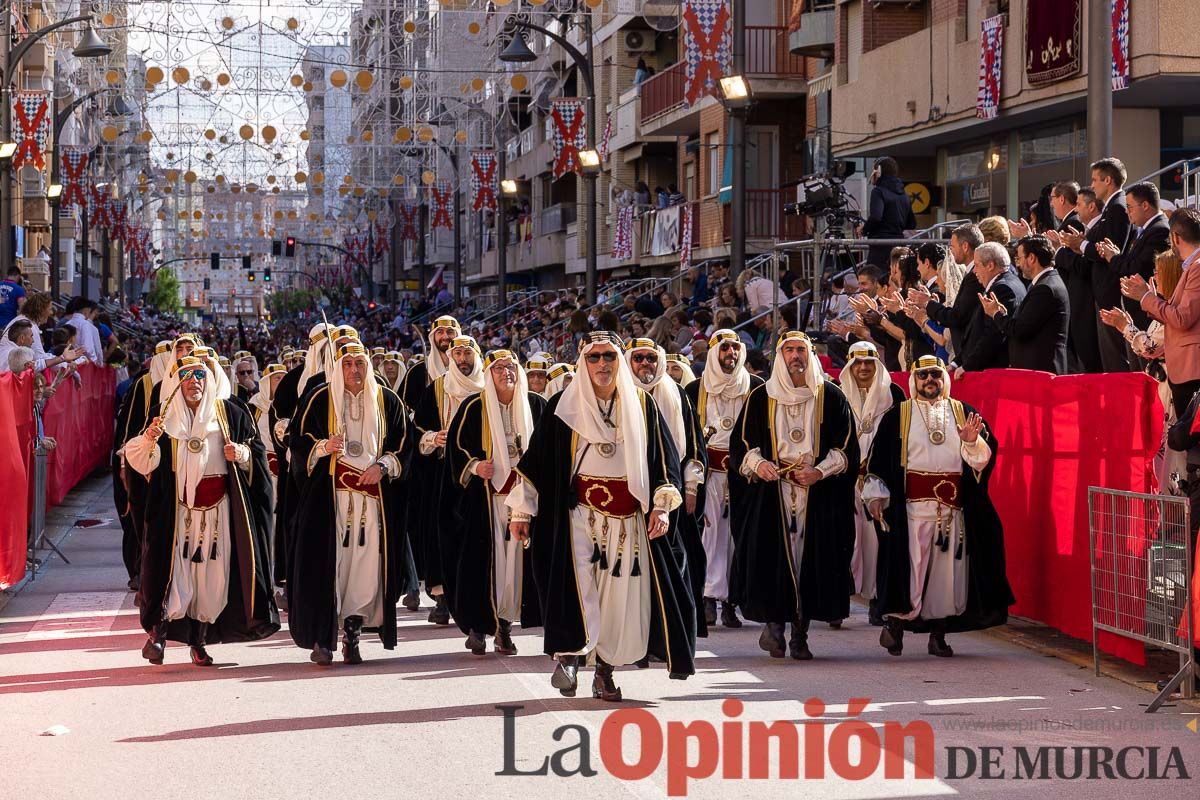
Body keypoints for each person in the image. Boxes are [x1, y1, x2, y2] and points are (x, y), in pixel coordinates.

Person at [506, 331, 695, 701]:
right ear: (582, 361)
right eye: (594, 358)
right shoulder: (564, 405)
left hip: (629, 522)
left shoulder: (642, 404)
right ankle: (572, 657)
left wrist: (662, 505)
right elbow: (536, 466)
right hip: (579, 516)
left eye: (609, 356)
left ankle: (604, 672)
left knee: (618, 603)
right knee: (580, 591)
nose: (602, 364)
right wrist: (520, 511)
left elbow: (664, 462)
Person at [125, 355, 279, 666]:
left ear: (210, 378)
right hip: (177, 513)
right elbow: (141, 462)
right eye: (186, 376)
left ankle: (199, 641)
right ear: (176, 382)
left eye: (200, 374)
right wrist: (149, 440)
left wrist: (243, 454)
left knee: (211, 582)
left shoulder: (231, 413)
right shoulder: (163, 416)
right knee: (172, 576)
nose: (194, 381)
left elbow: (257, 454)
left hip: (217, 514)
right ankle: (159, 634)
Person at [864, 356, 1014, 657]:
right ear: (914, 380)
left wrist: (972, 443)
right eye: (923, 376)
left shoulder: (964, 413)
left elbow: (983, 460)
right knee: (912, 572)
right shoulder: (898, 416)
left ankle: (939, 634)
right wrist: (875, 496)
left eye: (935, 374)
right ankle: (896, 623)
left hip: (953, 511)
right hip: (911, 511)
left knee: (948, 578)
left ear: (943, 378)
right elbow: (877, 462)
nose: (929, 380)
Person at [728, 332, 856, 660]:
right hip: (774, 491)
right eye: (789, 350)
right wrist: (759, 465)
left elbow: (846, 448)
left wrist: (820, 471)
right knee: (772, 560)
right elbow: (741, 445)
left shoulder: (831, 396)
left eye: (801, 349)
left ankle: (801, 632)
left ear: (810, 353)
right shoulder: (761, 397)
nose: (795, 356)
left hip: (817, 493)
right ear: (779, 356)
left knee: (810, 562)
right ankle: (774, 625)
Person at [288, 342, 415, 665]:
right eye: (348, 364)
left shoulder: (388, 400)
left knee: (366, 570)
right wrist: (323, 446)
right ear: (338, 367)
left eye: (360, 363)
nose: (354, 371)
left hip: (372, 501)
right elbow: (298, 442)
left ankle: (353, 632)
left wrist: (383, 466)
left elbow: (404, 444)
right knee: (329, 567)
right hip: (330, 500)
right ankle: (322, 639)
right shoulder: (320, 398)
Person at [444, 350, 546, 655]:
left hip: (525, 499)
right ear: (489, 374)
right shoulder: (473, 407)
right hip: (486, 500)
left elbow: (548, 449)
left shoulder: (536, 405)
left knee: (516, 569)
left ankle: (504, 626)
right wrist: (475, 466)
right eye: (499, 368)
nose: (506, 373)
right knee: (485, 565)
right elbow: (456, 449)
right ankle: (479, 626)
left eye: (511, 367)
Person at [625, 337, 709, 639]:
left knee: (675, 563)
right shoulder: (619, 395)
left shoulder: (677, 395)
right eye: (639, 358)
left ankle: (671, 633)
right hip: (629, 494)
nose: (645, 364)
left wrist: (690, 487)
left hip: (671, 495)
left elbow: (694, 448)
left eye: (650, 358)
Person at [685, 331, 764, 628]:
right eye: (724, 348)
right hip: (709, 475)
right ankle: (708, 598)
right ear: (713, 352)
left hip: (745, 476)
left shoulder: (756, 388)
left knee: (738, 538)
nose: (730, 353)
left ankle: (732, 600)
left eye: (735, 347)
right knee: (710, 536)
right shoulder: (695, 389)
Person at [412, 334, 485, 624]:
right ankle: (442, 597)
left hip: (482, 475)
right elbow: (417, 428)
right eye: (458, 354)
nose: (463, 360)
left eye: (468, 354)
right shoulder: (438, 388)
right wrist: (432, 437)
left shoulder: (487, 386)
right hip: (444, 473)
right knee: (442, 535)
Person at [838, 341, 905, 624]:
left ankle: (879, 600)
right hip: (843, 481)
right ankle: (839, 600)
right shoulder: (836, 393)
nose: (863, 368)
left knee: (879, 541)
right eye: (858, 363)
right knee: (843, 540)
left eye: (869, 363)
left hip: (880, 481)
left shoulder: (894, 395)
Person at [1122, 208, 1200, 417]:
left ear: (1175, 237)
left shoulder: (1197, 267)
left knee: (1186, 442)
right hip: (1182, 372)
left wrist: (1146, 298)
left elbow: (1182, 318)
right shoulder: (1191, 267)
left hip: (1190, 371)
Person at [111, 340, 172, 588]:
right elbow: (127, 430)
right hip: (138, 464)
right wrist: (126, 465)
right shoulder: (143, 385)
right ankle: (137, 571)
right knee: (137, 520)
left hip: (164, 465)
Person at [1061, 157, 1131, 372]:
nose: (1092, 185)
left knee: (1114, 362)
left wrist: (1081, 244)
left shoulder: (1118, 208)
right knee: (1108, 361)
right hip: (1103, 293)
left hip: (1110, 293)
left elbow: (1108, 250)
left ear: (1108, 180)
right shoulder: (1111, 209)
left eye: (1095, 180)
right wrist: (1080, 245)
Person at [1096, 181, 1172, 367]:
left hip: (1146, 316)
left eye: (1130, 207)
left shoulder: (1160, 230)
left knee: (1146, 372)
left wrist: (1114, 258)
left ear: (1145, 205)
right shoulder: (1144, 231)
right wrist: (1117, 257)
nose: (1127, 212)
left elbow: (1136, 268)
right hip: (1135, 315)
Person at [980, 234, 1070, 374]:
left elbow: (1020, 330)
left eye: (1019, 258)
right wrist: (1003, 314)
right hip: (1037, 370)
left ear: (1032, 258)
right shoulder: (1045, 283)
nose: (1018, 264)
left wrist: (995, 314)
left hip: (1042, 372)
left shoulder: (1045, 288)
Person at [1047, 182, 1103, 373]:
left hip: (1081, 299)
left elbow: (1081, 264)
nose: (1052, 204)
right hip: (1075, 298)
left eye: (1052, 199)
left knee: (1084, 361)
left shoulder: (1073, 224)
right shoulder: (1073, 224)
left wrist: (1057, 250)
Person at [911, 224, 984, 371]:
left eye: (952, 246)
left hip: (971, 359)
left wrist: (928, 304)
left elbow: (958, 316)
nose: (950, 251)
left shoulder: (974, 278)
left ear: (965, 246)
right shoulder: (970, 275)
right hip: (962, 357)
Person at [959, 242, 1025, 372]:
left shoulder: (1002, 288)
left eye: (977, 265)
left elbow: (993, 335)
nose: (974, 271)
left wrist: (967, 366)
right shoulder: (1004, 283)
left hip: (991, 371)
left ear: (990, 265)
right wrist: (957, 362)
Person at [863, 157, 917, 270]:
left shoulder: (878, 191)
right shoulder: (904, 195)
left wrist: (864, 229)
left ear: (878, 172)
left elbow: (876, 217)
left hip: (880, 246)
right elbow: (911, 223)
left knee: (874, 279)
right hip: (898, 245)